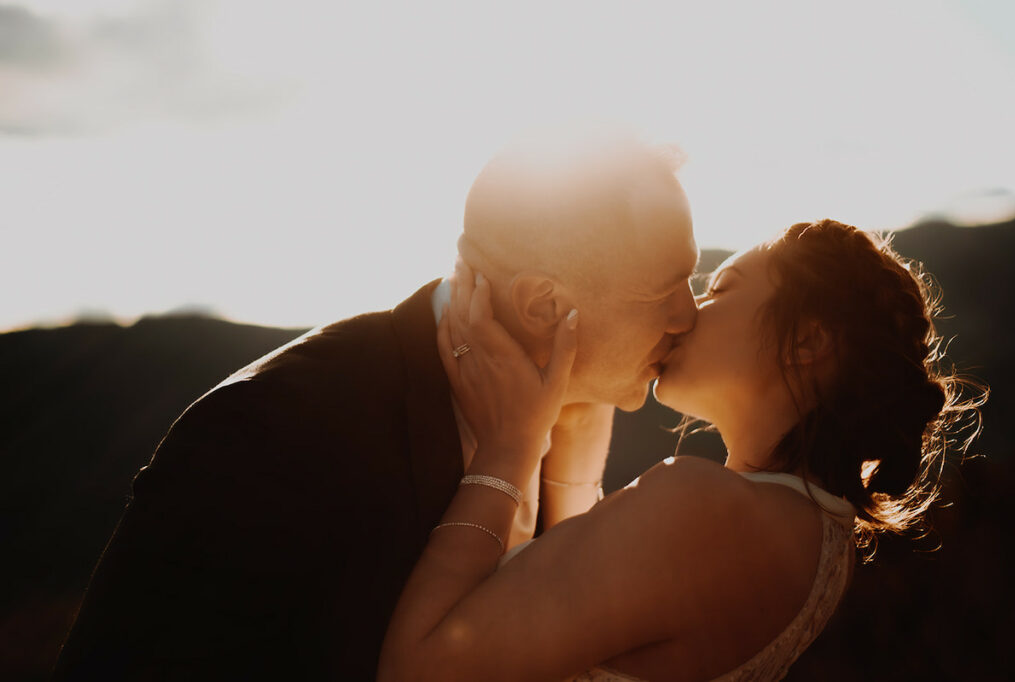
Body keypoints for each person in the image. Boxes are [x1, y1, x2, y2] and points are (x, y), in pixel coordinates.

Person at [53, 131, 699, 679]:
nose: (689, 316)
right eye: (669, 288)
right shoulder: (267, 437)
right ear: (544, 306)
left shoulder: (575, 420)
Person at [378, 219, 984, 681]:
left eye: (721, 289)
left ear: (805, 341)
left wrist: (508, 450)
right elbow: (596, 602)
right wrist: (577, 424)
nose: (688, 312)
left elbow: (419, 666)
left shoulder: (704, 506)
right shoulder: (822, 536)